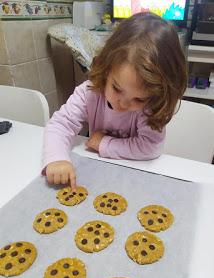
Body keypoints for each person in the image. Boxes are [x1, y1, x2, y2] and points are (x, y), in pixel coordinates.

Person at [42, 12, 187, 191]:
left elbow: (151, 147)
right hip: (98, 175)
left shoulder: (151, 107)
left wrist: (104, 144)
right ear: (106, 68)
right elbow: (60, 125)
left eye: (139, 99)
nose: (123, 104)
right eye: (117, 88)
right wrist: (57, 158)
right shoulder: (90, 92)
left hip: (136, 179)